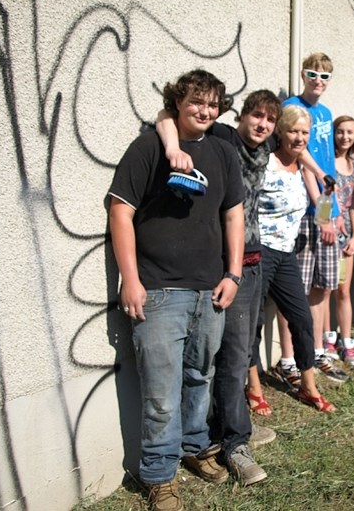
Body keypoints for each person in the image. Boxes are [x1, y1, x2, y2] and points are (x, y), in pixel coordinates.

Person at [109, 70, 245, 510]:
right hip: (159, 292)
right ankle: (159, 475)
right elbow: (120, 211)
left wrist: (234, 273)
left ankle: (194, 446)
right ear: (178, 104)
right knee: (160, 392)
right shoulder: (150, 146)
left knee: (199, 377)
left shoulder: (224, 152)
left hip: (211, 290)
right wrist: (130, 279)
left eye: (212, 104)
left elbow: (233, 216)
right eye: (195, 103)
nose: (204, 111)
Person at [155, 89, 283, 487]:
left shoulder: (270, 143)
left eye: (269, 119)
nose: (262, 125)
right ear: (240, 116)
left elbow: (295, 132)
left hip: (253, 260)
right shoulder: (225, 137)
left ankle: (230, 435)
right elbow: (165, 112)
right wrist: (174, 148)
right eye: (256, 116)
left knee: (239, 353)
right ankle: (233, 443)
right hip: (224, 265)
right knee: (219, 358)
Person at [254, 105, 337, 412]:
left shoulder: (303, 168)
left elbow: (320, 208)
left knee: (301, 320)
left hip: (287, 254)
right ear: (280, 132)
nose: (299, 138)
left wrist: (327, 202)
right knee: (253, 323)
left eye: (305, 132)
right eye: (293, 131)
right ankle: (254, 387)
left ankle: (308, 386)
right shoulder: (266, 161)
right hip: (260, 252)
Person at [284, 52, 349, 382]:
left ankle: (318, 349)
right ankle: (289, 359)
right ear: (303, 74)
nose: (318, 81)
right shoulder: (292, 107)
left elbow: (328, 171)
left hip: (325, 207)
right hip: (306, 211)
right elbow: (304, 161)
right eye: (313, 74)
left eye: (325, 76)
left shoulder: (325, 112)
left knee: (323, 287)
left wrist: (334, 212)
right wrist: (322, 212)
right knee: (296, 288)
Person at [332, 115, 354, 367]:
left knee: (343, 290)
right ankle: (326, 338)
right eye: (340, 131)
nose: (345, 137)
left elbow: (353, 203)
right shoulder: (325, 160)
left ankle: (347, 340)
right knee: (324, 290)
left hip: (347, 234)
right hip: (328, 229)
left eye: (349, 132)